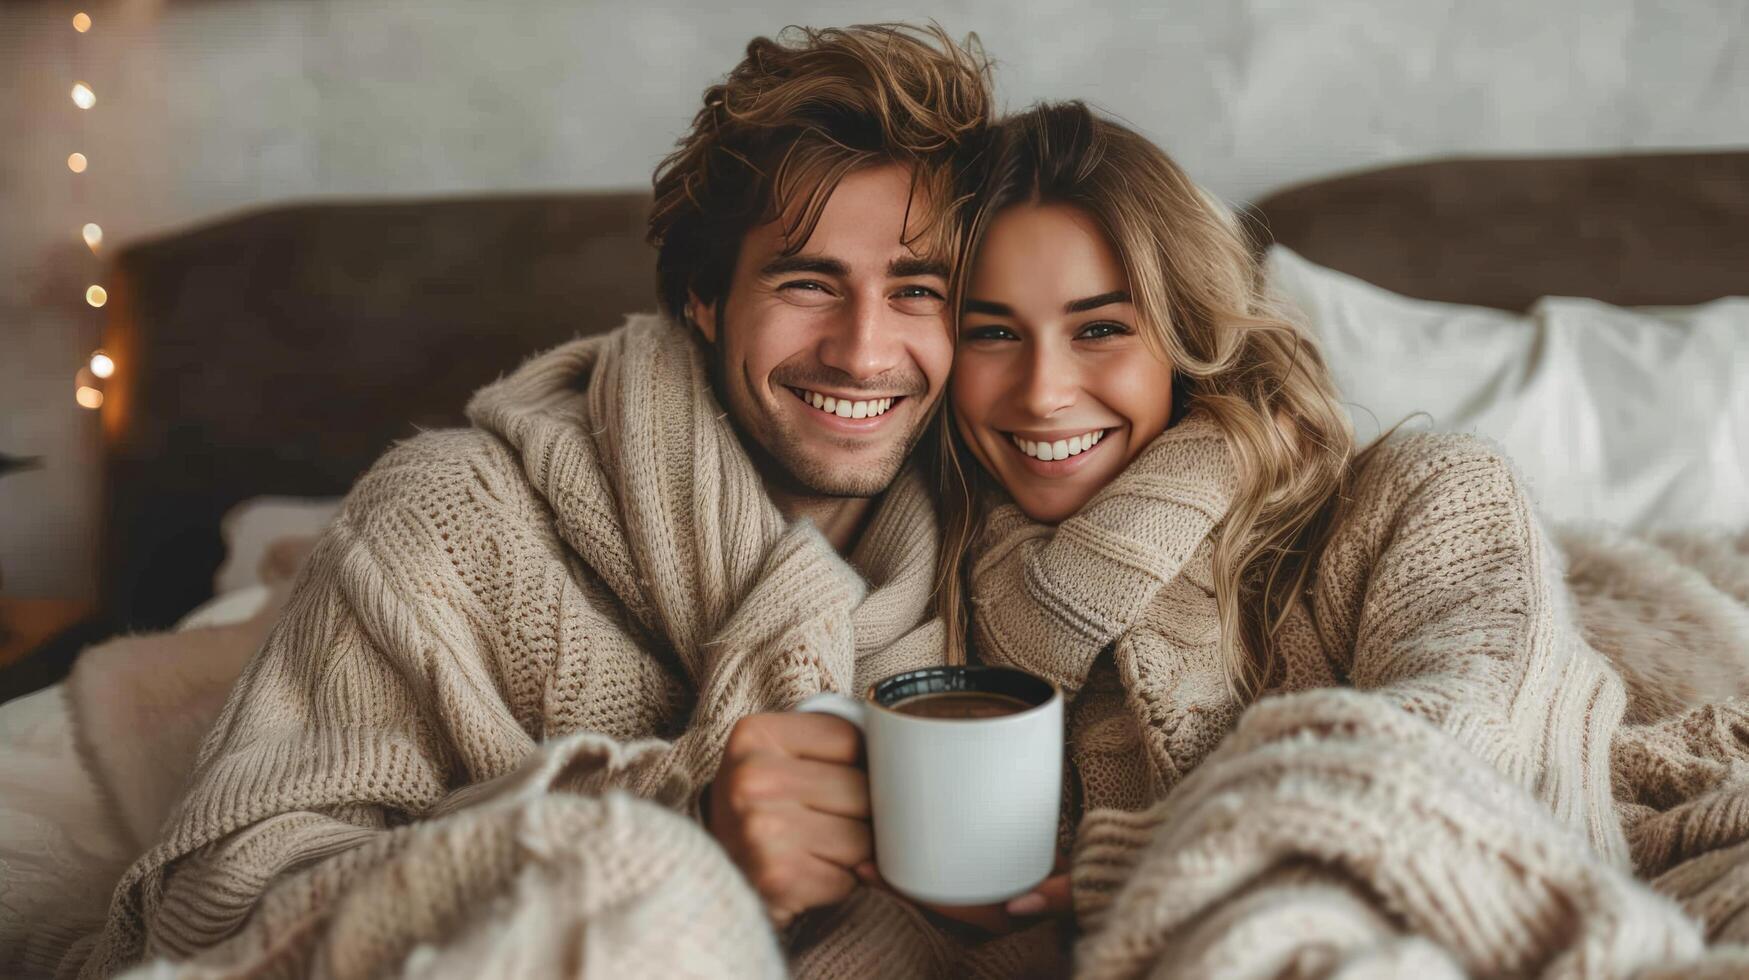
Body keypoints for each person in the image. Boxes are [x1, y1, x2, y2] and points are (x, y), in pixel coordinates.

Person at [70, 24, 1017, 979]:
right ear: (700, 297)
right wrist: (681, 828)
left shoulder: (1008, 525)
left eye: (916, 289)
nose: (862, 351)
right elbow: (210, 909)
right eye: (808, 281)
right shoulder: (447, 518)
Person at [934, 100, 1749, 974]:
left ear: (1187, 335)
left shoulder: (1422, 493)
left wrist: (1138, 864)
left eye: (1099, 329)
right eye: (991, 333)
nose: (1043, 392)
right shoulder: (933, 571)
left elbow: (1473, 741)